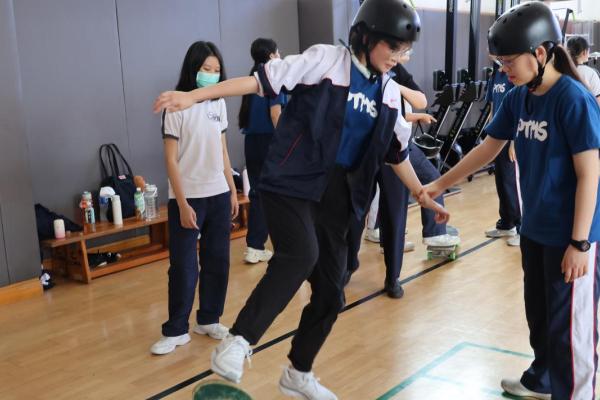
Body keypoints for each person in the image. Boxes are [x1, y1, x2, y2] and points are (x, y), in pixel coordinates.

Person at [154, 1, 448, 398]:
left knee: (332, 290)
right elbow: (259, 82)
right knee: (300, 255)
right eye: (393, 47)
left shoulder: (391, 95)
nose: (399, 57)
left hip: (338, 196)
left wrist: (421, 192)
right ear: (365, 37)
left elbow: (397, 155)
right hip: (292, 179)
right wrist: (194, 96)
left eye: (404, 50)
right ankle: (239, 340)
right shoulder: (326, 61)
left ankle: (298, 372)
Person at [423, 3, 600, 399]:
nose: (504, 69)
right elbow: (488, 148)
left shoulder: (573, 99)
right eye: (499, 62)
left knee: (570, 331)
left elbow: (591, 174)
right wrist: (438, 184)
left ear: (540, 52)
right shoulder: (520, 98)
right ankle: (543, 380)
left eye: (508, 61)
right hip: (536, 229)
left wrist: (580, 243)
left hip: (571, 235)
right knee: (540, 317)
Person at [150, 41, 239, 355]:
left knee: (218, 261)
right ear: (193, 69)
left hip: (218, 194)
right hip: (187, 199)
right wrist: (183, 202)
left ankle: (209, 319)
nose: (212, 75)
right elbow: (170, 159)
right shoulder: (175, 106)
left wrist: (232, 189)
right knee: (184, 267)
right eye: (206, 69)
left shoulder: (218, 103)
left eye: (216, 70)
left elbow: (223, 150)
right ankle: (176, 330)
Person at [346, 56, 460, 298]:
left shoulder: (395, 73)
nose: (398, 54)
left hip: (394, 151)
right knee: (355, 212)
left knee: (395, 214)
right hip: (364, 152)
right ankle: (346, 268)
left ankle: (393, 277)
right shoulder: (353, 72)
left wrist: (392, 84)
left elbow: (419, 101)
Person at [238, 38, 287, 264]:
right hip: (270, 142)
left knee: (257, 192)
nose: (280, 56)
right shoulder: (273, 77)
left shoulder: (252, 77)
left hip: (251, 142)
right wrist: (284, 143)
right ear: (271, 56)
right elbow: (276, 114)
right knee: (275, 194)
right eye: (278, 52)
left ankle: (255, 245)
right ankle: (277, 245)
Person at [484, 67, 521, 246]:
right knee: (502, 181)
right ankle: (507, 223)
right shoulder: (495, 75)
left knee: (512, 183)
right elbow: (492, 106)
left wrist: (513, 142)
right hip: (499, 135)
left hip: (511, 137)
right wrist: (491, 131)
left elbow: (518, 112)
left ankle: (521, 228)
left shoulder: (514, 75)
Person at [566, 35, 600, 105]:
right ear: (584, 52)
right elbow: (598, 102)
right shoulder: (591, 73)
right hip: (586, 111)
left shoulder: (561, 70)